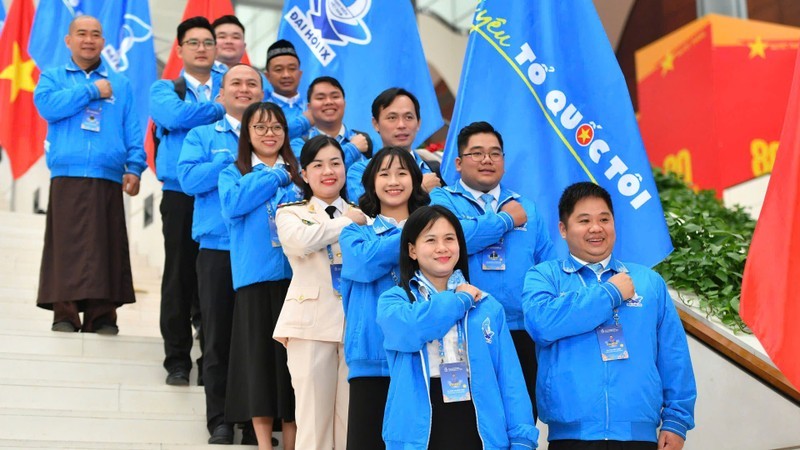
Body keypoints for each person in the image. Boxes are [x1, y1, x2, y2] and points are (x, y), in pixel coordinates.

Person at [523, 182, 696, 450]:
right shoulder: (544, 276)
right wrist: (610, 294)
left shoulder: (648, 282)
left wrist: (676, 421)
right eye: (584, 220)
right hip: (571, 436)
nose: (596, 228)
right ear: (563, 229)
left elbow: (674, 356)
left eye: (604, 219)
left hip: (638, 436)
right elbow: (542, 324)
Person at [376, 205, 538, 449]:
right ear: (412, 250)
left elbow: (510, 378)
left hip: (479, 425)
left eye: (449, 239)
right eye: (430, 240)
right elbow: (413, 329)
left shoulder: (487, 305)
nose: (442, 248)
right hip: (419, 431)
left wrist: (522, 438)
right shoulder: (395, 301)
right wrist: (459, 299)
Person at [429, 121, 556, 419]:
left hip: (521, 330)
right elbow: (454, 241)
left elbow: (547, 266)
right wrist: (505, 221)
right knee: (472, 420)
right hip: (465, 328)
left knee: (522, 419)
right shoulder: (442, 201)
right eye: (477, 153)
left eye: (495, 153)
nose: (487, 160)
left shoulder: (526, 206)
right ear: (458, 163)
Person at [34, 15, 145, 334]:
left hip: (108, 174)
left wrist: (135, 166)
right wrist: (91, 90)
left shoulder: (120, 84)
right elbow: (48, 107)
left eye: (95, 34)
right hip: (66, 172)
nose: (88, 39)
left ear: (103, 42)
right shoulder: (53, 77)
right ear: (68, 40)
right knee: (65, 245)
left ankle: (102, 315)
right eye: (81, 34)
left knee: (105, 246)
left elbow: (132, 129)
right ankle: (65, 314)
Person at [177, 64, 264, 444]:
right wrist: (229, 158)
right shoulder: (202, 135)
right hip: (218, 250)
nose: (244, 89)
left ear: (262, 93)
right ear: (220, 94)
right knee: (217, 337)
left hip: (265, 255)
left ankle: (254, 420)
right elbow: (190, 181)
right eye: (236, 84)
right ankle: (220, 419)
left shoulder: (274, 136)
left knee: (259, 340)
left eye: (252, 83)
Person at [273, 135, 367, 450]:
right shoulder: (290, 212)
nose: (328, 171)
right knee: (313, 420)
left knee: (350, 423)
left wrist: (351, 219)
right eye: (318, 165)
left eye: (336, 163)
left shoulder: (363, 214)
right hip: (309, 325)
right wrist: (344, 223)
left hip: (354, 325)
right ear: (305, 172)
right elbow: (300, 242)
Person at [219, 102, 303, 450]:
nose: (270, 134)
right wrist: (275, 175)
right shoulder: (233, 171)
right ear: (246, 134)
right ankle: (265, 444)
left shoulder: (300, 174)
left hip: (298, 282)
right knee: (259, 367)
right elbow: (234, 204)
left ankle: (294, 443)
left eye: (276, 128)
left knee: (292, 370)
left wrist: (288, 174)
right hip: (254, 280)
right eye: (260, 128)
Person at [150, 16, 226, 387]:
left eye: (207, 42)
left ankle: (211, 360)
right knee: (179, 276)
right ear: (179, 50)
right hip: (181, 193)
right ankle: (177, 359)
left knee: (215, 281)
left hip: (223, 195)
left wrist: (228, 99)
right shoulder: (165, 89)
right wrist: (219, 108)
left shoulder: (232, 84)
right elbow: (174, 116)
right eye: (193, 42)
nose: (201, 48)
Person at [339, 147, 430, 450]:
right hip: (370, 358)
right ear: (371, 182)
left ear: (415, 181)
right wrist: (415, 235)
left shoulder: (434, 232)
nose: (394, 181)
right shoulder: (355, 231)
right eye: (385, 173)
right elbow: (364, 263)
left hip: (421, 356)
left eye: (402, 173)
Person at [346, 88, 440, 202]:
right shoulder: (360, 172)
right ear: (376, 124)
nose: (401, 125)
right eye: (392, 118)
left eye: (408, 117)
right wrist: (419, 190)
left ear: (418, 123)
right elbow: (366, 212)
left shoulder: (434, 170)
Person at [290, 76, 371, 168]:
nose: (329, 102)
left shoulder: (365, 140)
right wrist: (353, 149)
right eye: (320, 98)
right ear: (309, 107)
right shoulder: (299, 144)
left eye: (335, 96)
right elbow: (309, 172)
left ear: (344, 103)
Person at [264, 39, 313, 139]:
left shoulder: (313, 107)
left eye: (292, 69)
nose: (286, 75)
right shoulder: (260, 110)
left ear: (300, 74)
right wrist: (305, 121)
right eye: (278, 69)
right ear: (268, 76)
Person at [211, 15, 270, 96]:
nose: (229, 41)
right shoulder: (201, 74)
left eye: (235, 37)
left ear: (244, 45)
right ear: (211, 43)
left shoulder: (258, 77)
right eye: (222, 36)